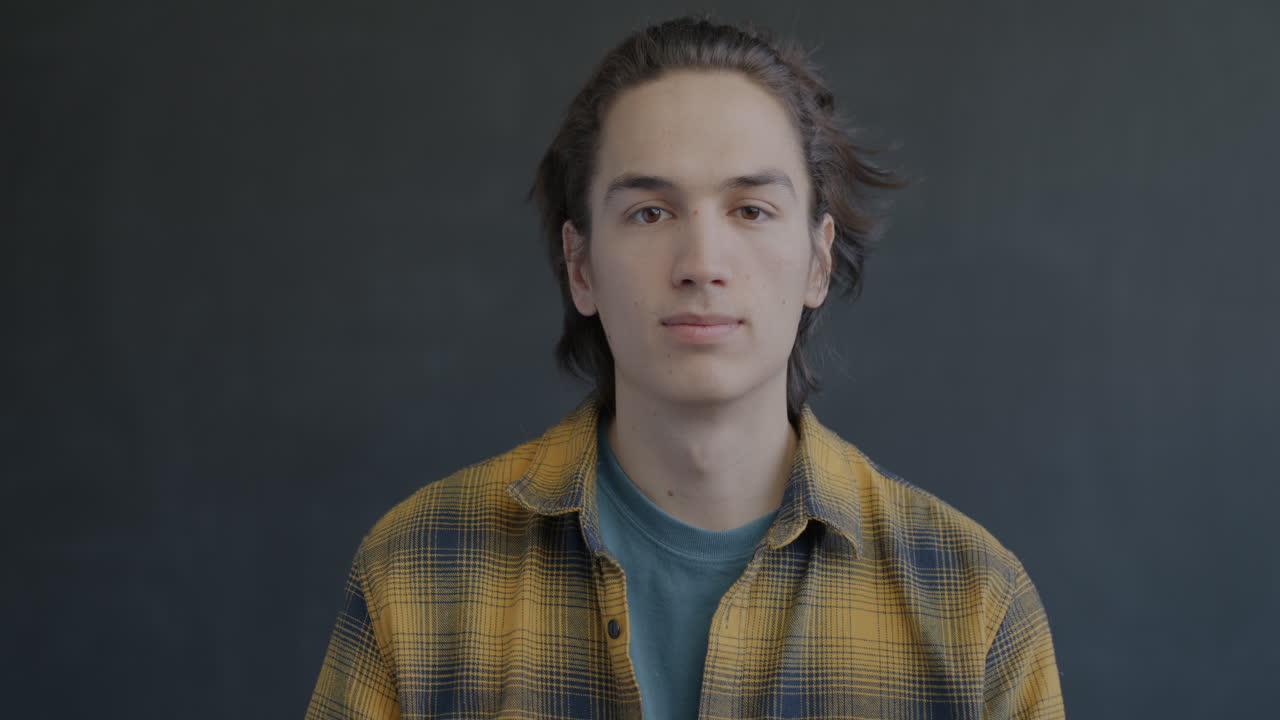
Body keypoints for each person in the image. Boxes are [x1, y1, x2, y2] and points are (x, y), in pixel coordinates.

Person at [306, 15, 1065, 720]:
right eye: (650, 212)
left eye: (750, 210)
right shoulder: (418, 574)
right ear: (581, 267)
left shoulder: (973, 606)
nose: (702, 263)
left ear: (818, 261)